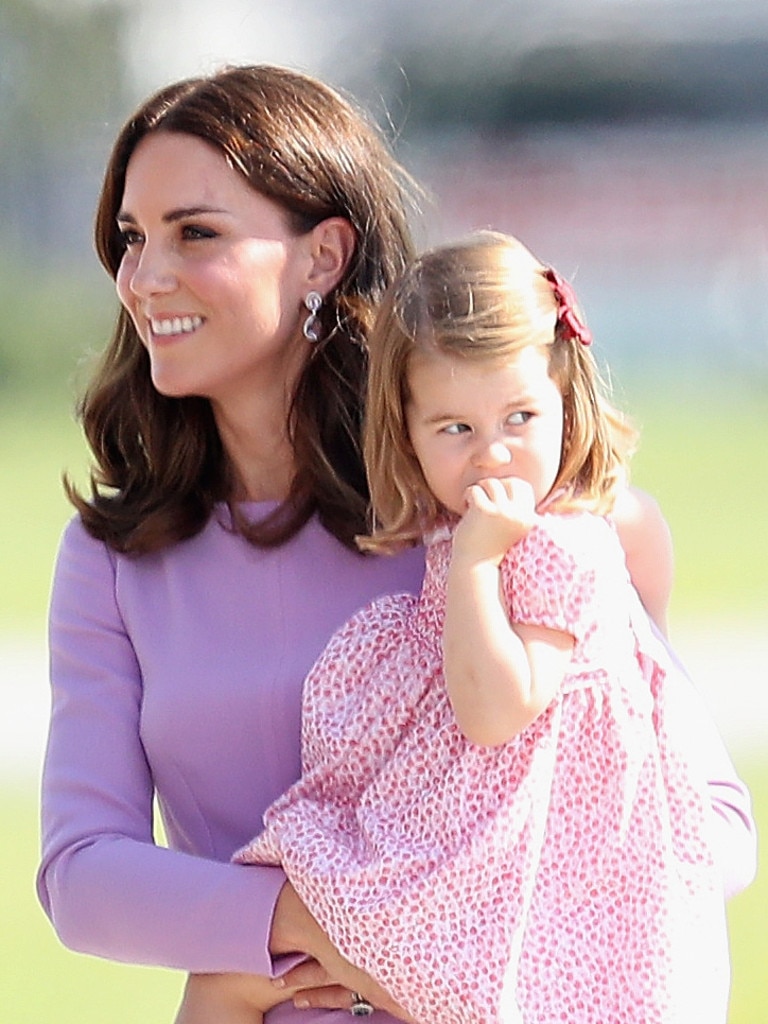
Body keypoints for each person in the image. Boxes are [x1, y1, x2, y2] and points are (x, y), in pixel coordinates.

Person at [35, 62, 755, 1024]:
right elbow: (81, 876)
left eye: (194, 233)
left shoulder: (492, 521)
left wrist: (464, 935)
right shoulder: (111, 561)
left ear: (324, 255)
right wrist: (303, 930)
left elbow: (711, 823)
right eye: (131, 238)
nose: (143, 276)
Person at [210, 231, 733, 1024]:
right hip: (469, 864)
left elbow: (495, 710)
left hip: (515, 894)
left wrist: (478, 567)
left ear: (566, 401)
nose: (492, 455)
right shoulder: (465, 535)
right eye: (454, 428)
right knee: (233, 970)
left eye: (519, 417)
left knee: (238, 973)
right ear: (407, 432)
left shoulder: (566, 544)